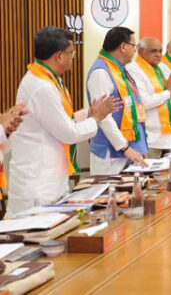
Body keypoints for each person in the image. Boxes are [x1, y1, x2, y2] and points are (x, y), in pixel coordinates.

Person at [8, 26, 118, 216]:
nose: (73, 57)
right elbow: (69, 133)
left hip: (50, 179)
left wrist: (90, 113)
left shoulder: (47, 80)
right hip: (39, 186)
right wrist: (96, 117)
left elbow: (62, 120)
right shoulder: (42, 87)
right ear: (58, 56)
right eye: (71, 52)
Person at [86, 26, 148, 175]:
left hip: (128, 150)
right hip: (111, 154)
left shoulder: (121, 70)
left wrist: (140, 146)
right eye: (134, 46)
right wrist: (125, 148)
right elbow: (103, 117)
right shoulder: (100, 73)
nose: (134, 50)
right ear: (123, 46)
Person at [126, 37, 171, 157]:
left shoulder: (160, 69)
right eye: (153, 51)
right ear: (140, 51)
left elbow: (170, 100)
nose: (158, 55)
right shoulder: (133, 70)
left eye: (160, 51)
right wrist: (168, 92)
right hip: (150, 140)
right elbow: (143, 102)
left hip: (167, 139)